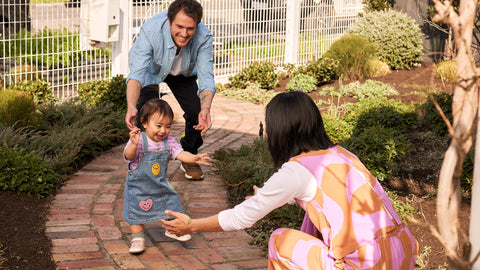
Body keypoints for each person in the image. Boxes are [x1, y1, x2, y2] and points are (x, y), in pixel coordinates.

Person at [161, 92, 418, 269]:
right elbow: (331, 201)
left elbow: (241, 217)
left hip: (364, 265)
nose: (267, 132)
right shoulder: (341, 154)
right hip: (401, 254)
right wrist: (273, 197)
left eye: (269, 125)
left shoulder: (295, 171)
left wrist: (192, 226)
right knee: (311, 222)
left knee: (280, 240)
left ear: (282, 130)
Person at [125, 0, 215, 180]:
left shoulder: (204, 37)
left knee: (196, 111)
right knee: (148, 111)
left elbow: (206, 79)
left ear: (197, 24)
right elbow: (136, 75)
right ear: (169, 21)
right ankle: (144, 162)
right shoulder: (151, 31)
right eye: (179, 26)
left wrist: (205, 109)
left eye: (190, 28)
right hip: (151, 70)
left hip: (183, 72)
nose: (184, 33)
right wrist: (131, 106)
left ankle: (189, 156)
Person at [123, 98, 211, 254]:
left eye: (167, 126)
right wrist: (134, 144)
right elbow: (129, 157)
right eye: (158, 126)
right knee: (136, 212)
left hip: (159, 184)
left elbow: (180, 153)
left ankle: (172, 229)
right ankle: (137, 238)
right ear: (144, 123)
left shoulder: (168, 142)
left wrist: (193, 158)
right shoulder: (138, 139)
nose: (163, 131)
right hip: (138, 187)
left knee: (172, 202)